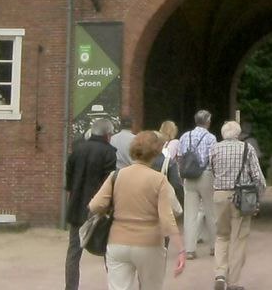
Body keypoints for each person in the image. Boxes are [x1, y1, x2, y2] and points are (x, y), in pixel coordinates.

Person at [89, 131, 186, 290]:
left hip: (118, 241)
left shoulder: (116, 176)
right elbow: (169, 217)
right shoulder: (159, 180)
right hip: (150, 243)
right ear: (155, 152)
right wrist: (181, 249)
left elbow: (95, 205)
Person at [210, 120, 267, 290]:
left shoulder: (214, 148)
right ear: (238, 134)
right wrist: (258, 196)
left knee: (221, 236)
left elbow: (212, 171)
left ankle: (220, 274)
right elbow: (257, 177)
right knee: (238, 238)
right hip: (241, 197)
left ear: (223, 134)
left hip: (219, 195)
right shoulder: (247, 148)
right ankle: (233, 281)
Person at [64, 117, 116, 290]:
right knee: (108, 250)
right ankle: (115, 285)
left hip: (76, 207)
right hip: (99, 209)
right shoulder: (109, 152)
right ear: (108, 135)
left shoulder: (77, 150)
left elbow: (69, 180)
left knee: (73, 252)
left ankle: (71, 287)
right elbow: (109, 183)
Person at [177, 109, 217, 260]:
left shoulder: (184, 136)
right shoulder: (211, 138)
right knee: (211, 212)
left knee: (190, 214)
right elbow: (213, 159)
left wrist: (182, 175)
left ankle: (190, 249)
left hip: (189, 177)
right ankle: (214, 246)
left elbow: (179, 157)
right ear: (207, 121)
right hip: (205, 174)